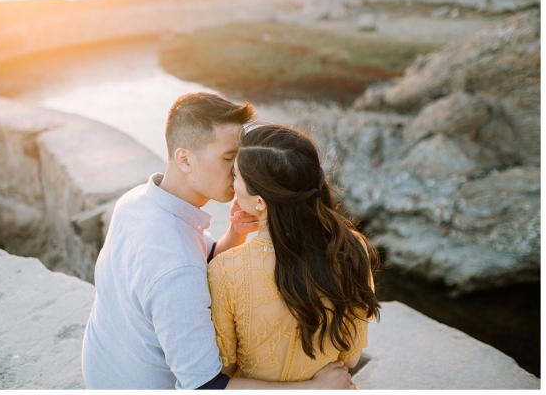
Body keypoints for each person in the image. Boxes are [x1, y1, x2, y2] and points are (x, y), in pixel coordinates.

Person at [81, 92, 356, 389]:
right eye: (229, 158)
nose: (241, 170)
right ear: (185, 159)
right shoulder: (176, 267)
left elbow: (200, 261)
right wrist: (313, 388)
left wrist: (235, 234)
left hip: (104, 371)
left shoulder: (135, 201)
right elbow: (204, 386)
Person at [208, 123, 380, 384]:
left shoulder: (226, 270)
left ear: (260, 201)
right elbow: (350, 359)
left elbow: (225, 371)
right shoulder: (352, 248)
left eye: (236, 177)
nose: (233, 185)